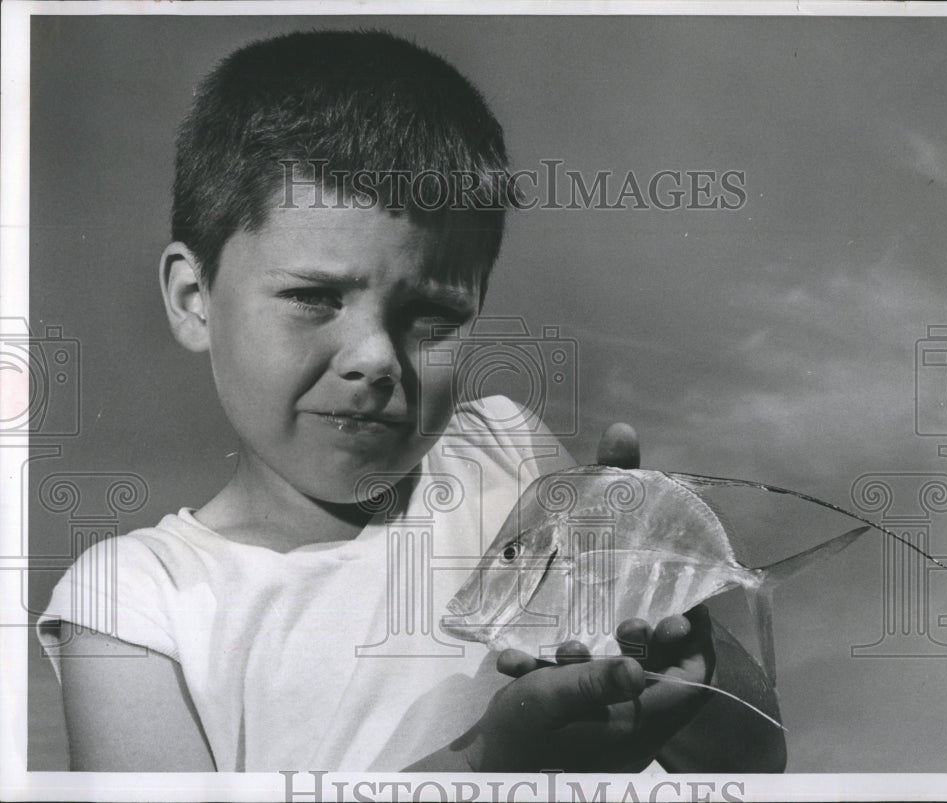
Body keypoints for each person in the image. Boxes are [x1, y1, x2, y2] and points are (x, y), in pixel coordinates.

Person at [37, 30, 785, 773]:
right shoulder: (131, 603)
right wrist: (490, 764)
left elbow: (754, 755)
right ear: (194, 298)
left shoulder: (506, 450)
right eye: (313, 297)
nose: (375, 359)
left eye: (431, 317)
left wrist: (696, 661)